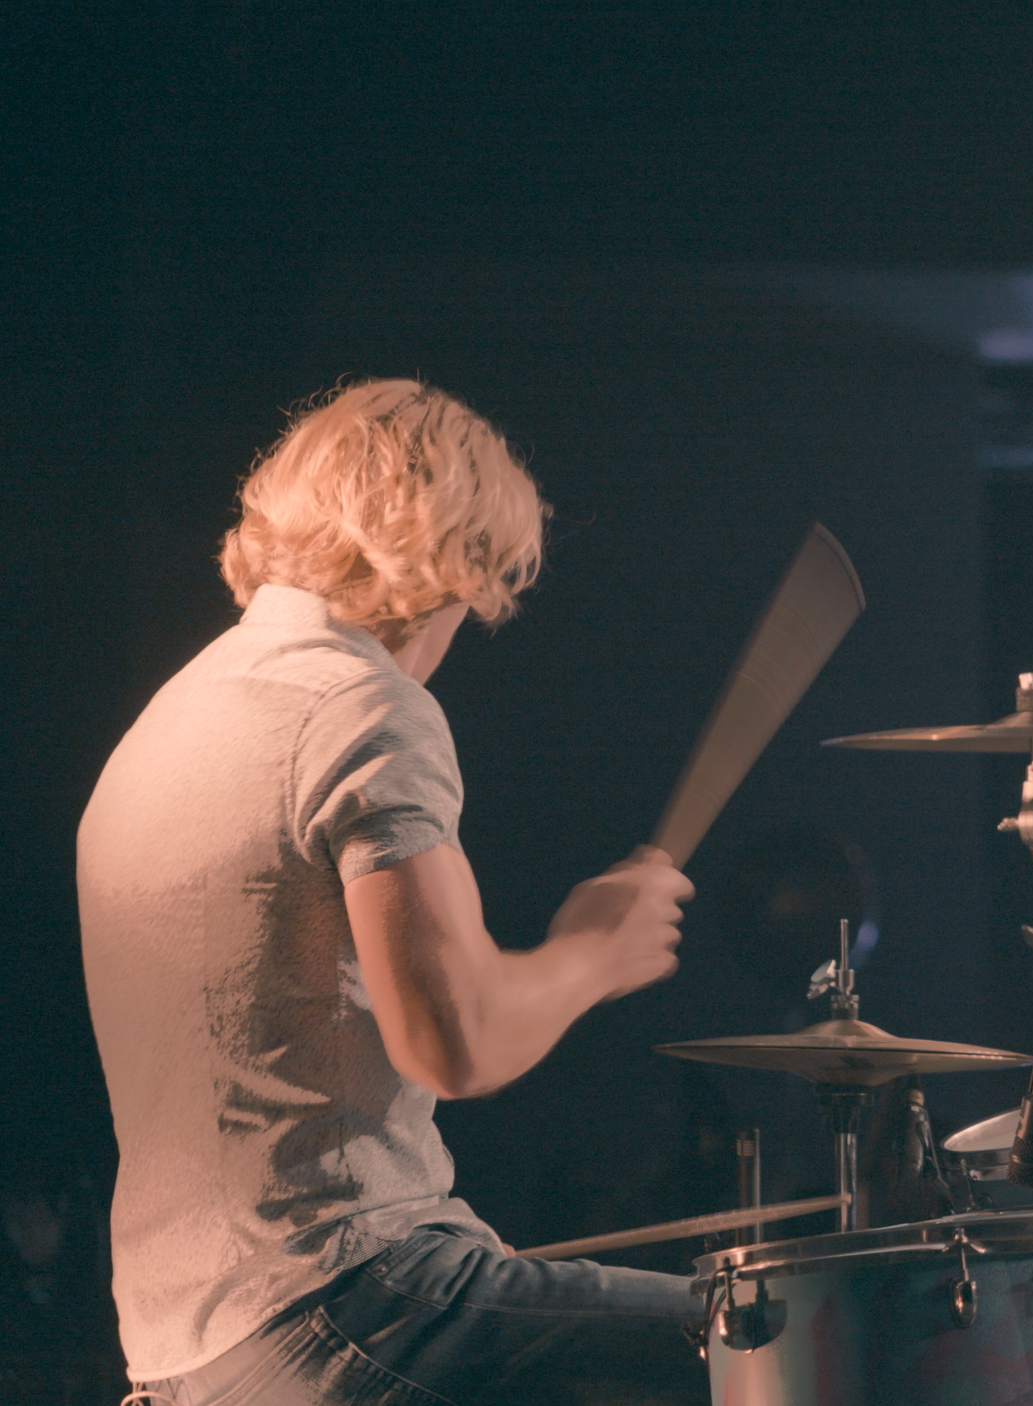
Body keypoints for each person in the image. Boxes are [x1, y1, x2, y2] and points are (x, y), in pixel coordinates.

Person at [78, 380, 707, 1405]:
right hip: (341, 1305)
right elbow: (452, 1040)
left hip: (182, 1352)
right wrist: (594, 948)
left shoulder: (165, 722)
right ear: (452, 557)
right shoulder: (363, 703)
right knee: (782, 1346)